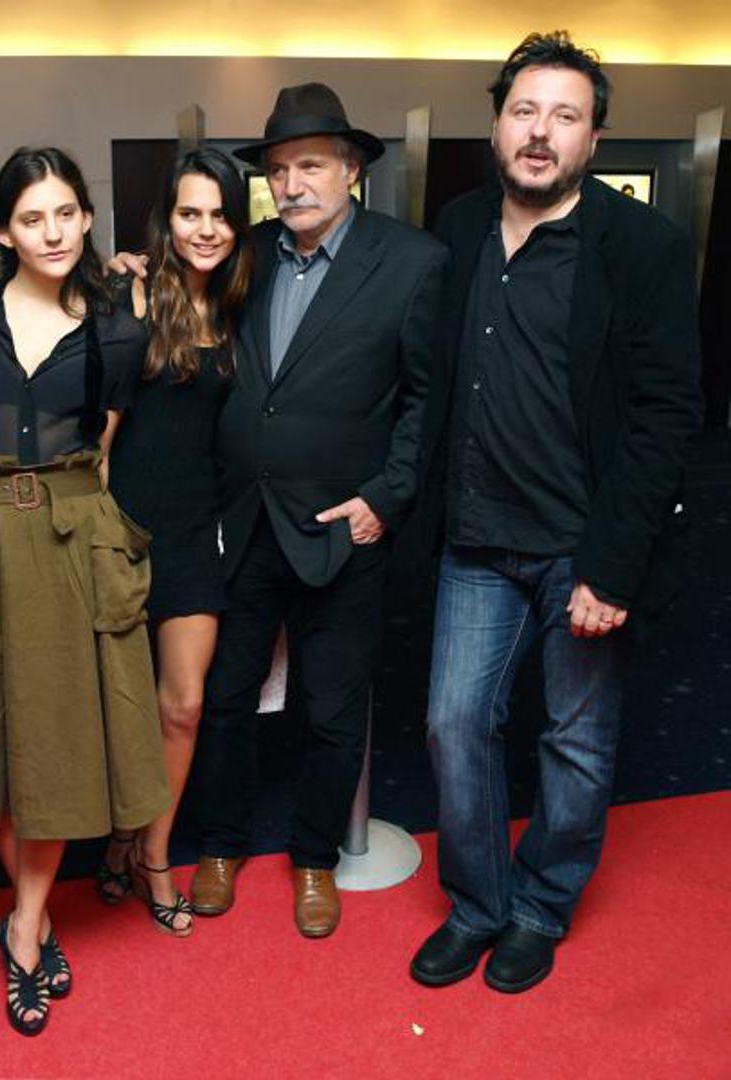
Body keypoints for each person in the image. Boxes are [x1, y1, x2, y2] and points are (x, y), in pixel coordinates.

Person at [408, 32, 702, 994]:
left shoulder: (644, 247)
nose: (541, 133)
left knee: (574, 742)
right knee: (454, 726)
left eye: (565, 116)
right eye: (525, 111)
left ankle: (539, 906)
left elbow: (667, 417)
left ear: (594, 137)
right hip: (474, 539)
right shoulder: (457, 227)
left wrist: (612, 567)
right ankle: (478, 904)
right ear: (497, 125)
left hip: (583, 547)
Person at [179, 85, 444, 938]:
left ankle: (314, 858)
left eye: (312, 165)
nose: (292, 184)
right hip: (246, 521)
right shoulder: (245, 252)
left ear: (352, 169)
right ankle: (219, 846)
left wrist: (385, 500)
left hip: (342, 528)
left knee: (333, 711)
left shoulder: (411, 262)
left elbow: (427, 402)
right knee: (226, 697)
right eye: (279, 170)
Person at [0, 146, 170, 1034]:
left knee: (54, 741)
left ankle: (26, 925)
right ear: (4, 231)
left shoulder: (117, 328)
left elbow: (101, 450)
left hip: (68, 538)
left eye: (66, 214)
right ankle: (32, 912)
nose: (52, 232)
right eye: (31, 218)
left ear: (87, 219)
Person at [102, 146, 252, 936]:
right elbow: (96, 436)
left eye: (220, 215)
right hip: (124, 532)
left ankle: (154, 855)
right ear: (167, 219)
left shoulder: (238, 304)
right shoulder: (128, 295)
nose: (205, 229)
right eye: (190, 213)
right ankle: (120, 836)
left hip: (197, 535)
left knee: (184, 706)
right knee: (119, 712)